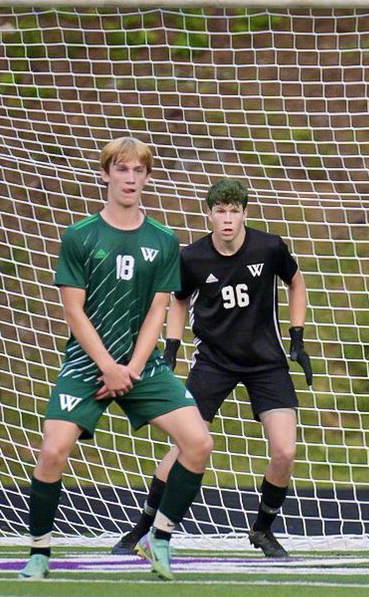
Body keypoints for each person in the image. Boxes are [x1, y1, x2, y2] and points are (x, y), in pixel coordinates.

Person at [19, 136, 213, 581]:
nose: (130, 178)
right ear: (105, 174)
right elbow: (74, 311)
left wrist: (134, 367)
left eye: (138, 171)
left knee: (198, 442)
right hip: (89, 364)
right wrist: (108, 365)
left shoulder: (164, 239)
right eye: (121, 170)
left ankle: (157, 538)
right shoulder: (81, 236)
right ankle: (39, 553)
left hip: (142, 366)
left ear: (147, 177)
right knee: (53, 450)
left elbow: (157, 311)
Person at [111, 179, 313, 558]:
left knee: (285, 450)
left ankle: (263, 530)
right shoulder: (192, 258)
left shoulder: (269, 247)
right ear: (208, 214)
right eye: (220, 211)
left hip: (265, 362)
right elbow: (179, 299)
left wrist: (296, 335)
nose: (227, 219)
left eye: (234, 211)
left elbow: (296, 282)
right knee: (187, 444)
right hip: (213, 363)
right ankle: (141, 529)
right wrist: (172, 346)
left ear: (245, 214)